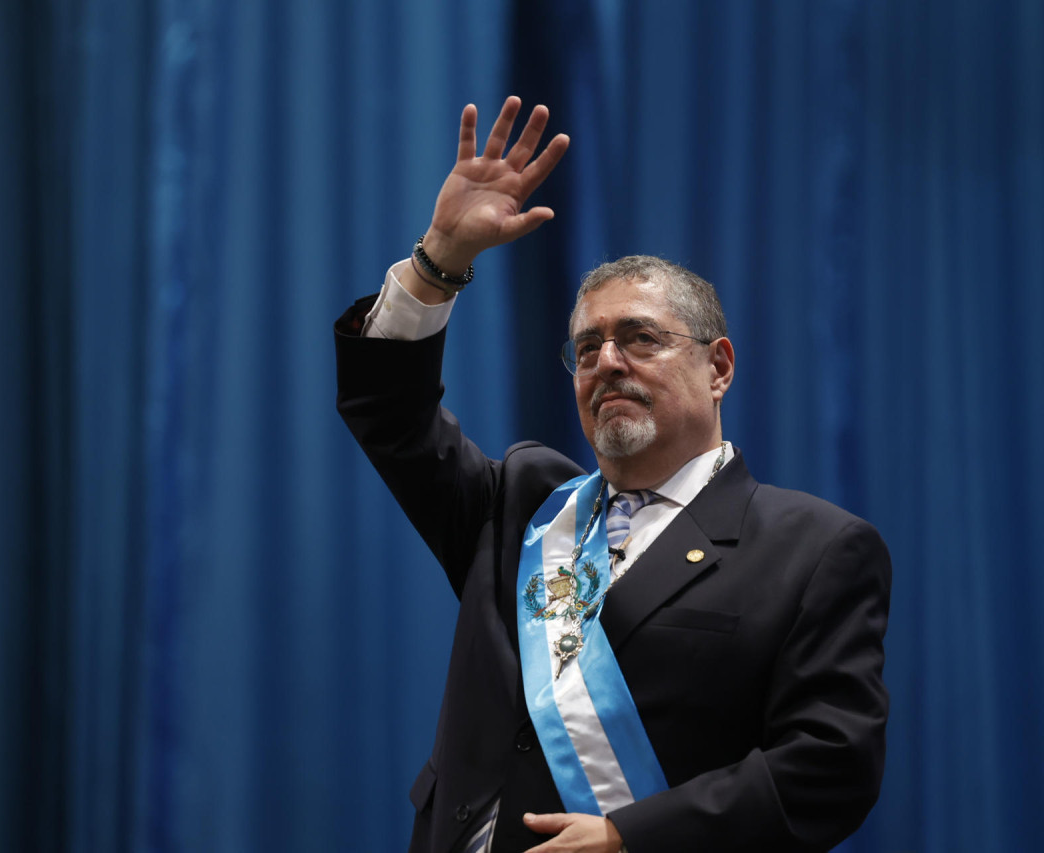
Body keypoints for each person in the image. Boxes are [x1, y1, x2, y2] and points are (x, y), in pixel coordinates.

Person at [334, 97, 890, 853]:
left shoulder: (813, 547)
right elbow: (392, 418)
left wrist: (634, 836)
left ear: (718, 366)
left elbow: (831, 765)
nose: (608, 363)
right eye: (587, 346)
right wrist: (439, 260)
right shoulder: (522, 507)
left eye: (640, 338)